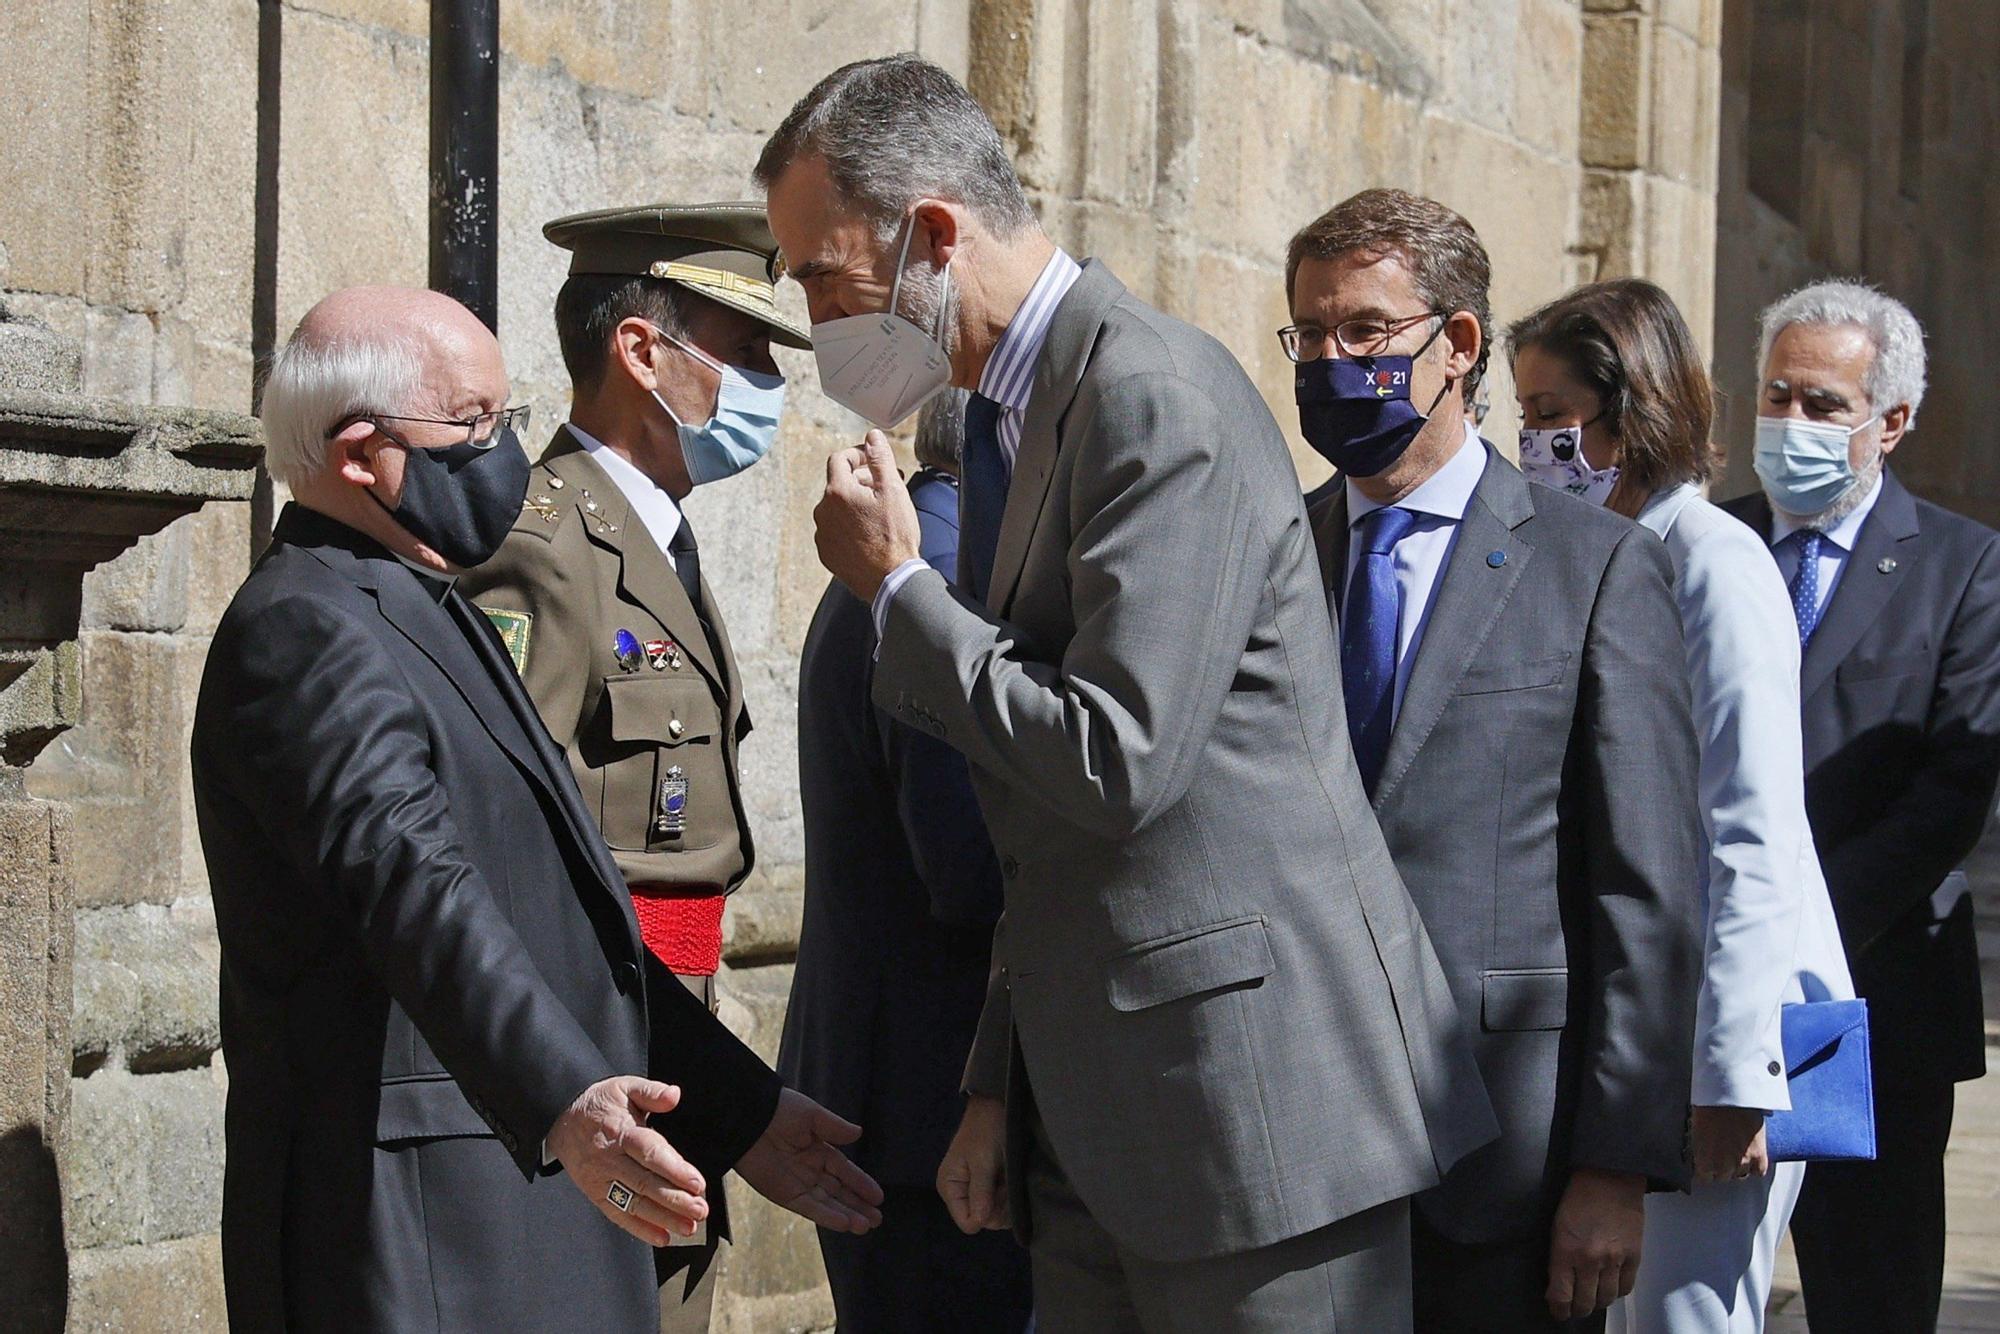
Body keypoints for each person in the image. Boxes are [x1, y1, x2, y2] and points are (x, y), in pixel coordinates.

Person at [762, 54, 1496, 1333]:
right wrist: (995, 1080)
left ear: (933, 237)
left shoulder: (1147, 394)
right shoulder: (1014, 409)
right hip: (1105, 1110)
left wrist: (897, 591)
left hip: (1252, 1120)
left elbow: (1115, 759)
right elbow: (1031, 814)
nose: (817, 319)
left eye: (825, 274)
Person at [192, 286, 880, 1332]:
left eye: (503, 416)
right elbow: (416, 887)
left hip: (519, 1194)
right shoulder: (303, 628)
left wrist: (736, 1111)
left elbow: (557, 912)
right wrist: (565, 1097)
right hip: (423, 1224)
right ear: (360, 453)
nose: (503, 451)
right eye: (472, 424)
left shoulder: (420, 600)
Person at [1285, 191, 1703, 1332]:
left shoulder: (1595, 569)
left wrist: (1614, 1166)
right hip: (1295, 1152)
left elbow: (1648, 889)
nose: (1329, 360)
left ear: (1456, 344)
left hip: (1502, 1161)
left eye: (1362, 332)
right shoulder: (1275, 552)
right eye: (1308, 334)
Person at [460, 202, 806, 1330]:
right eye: (745, 348)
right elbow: (505, 853)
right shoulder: (544, 547)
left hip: (674, 1023)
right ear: (642, 351)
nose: (767, 381)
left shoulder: (657, 535)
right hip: (599, 1050)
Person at [1505, 278, 1855, 1333]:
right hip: (1630, 1036)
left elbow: (1750, 826)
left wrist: (1732, 1065)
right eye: (1519, 419)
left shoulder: (1711, 561)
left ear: (1629, 411)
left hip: (1712, 1042)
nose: (1530, 445)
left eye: (1548, 418)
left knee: (1684, 1316)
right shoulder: (1589, 555)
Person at [1719, 280, 2000, 1333]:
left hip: (1867, 998)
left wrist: (1787, 926)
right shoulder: (1707, 545)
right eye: (1775, 394)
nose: (1789, 423)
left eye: (1821, 404)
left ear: (1889, 421)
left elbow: (1945, 796)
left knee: (1865, 1295)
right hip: (1708, 1003)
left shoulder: (1963, 569)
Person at [779, 388, 1033, 1332]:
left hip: (893, 1098)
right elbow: (966, 867)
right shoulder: (941, 577)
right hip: (937, 1109)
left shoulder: (917, 560)